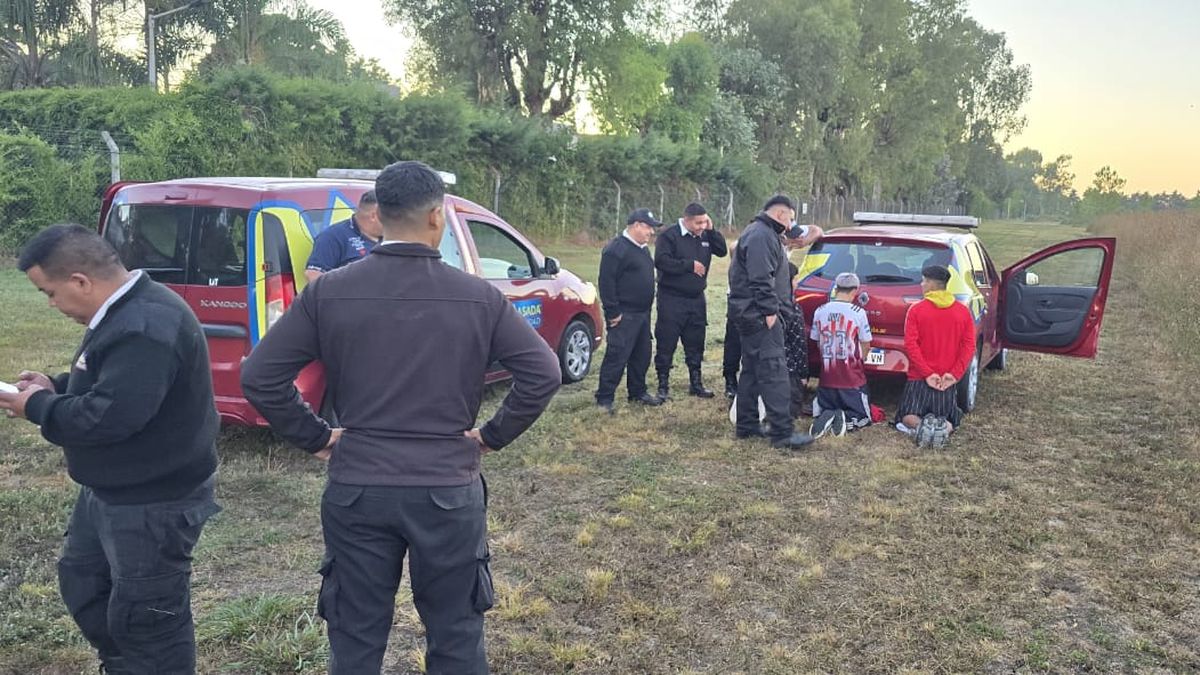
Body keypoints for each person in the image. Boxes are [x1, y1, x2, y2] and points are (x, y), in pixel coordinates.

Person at [240, 161, 561, 674]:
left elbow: (259, 376)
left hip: (359, 486)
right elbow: (543, 373)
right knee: (456, 633)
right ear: (437, 217)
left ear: (379, 216)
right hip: (447, 489)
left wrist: (316, 436)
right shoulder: (480, 296)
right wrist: (491, 437)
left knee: (356, 636)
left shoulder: (328, 291)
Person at [0, 224, 220, 675]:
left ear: (80, 281)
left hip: (152, 502)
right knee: (85, 584)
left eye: (50, 293)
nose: (52, 306)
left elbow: (110, 417)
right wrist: (55, 387)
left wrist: (38, 406)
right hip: (109, 492)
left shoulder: (144, 325)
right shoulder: (122, 313)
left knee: (150, 618)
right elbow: (113, 385)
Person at [727, 196, 814, 450]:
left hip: (751, 313)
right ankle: (782, 433)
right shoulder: (762, 236)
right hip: (760, 315)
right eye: (790, 217)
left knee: (752, 370)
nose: (791, 224)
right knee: (775, 372)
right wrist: (769, 311)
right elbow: (760, 277)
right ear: (780, 214)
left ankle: (746, 424)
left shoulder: (761, 233)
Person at [722, 220, 822, 399]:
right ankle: (731, 381)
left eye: (797, 236)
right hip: (743, 300)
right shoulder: (762, 241)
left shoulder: (787, 247)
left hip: (769, 301)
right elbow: (734, 246)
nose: (797, 239)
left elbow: (817, 230)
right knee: (735, 341)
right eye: (793, 237)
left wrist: (801, 241)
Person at [895, 264, 977, 448]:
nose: (921, 284)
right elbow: (968, 346)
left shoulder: (916, 310)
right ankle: (943, 430)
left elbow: (911, 345)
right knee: (948, 418)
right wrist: (954, 374)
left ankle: (921, 427)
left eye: (924, 281)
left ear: (931, 284)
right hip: (945, 380)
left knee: (907, 415)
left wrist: (927, 373)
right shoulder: (963, 312)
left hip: (920, 378)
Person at [653, 202, 728, 400]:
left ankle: (696, 383)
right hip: (671, 298)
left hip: (696, 299)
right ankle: (663, 385)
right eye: (698, 223)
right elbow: (661, 261)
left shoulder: (705, 235)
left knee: (695, 342)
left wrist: (711, 230)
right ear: (686, 220)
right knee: (666, 341)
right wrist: (689, 266)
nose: (702, 226)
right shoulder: (669, 235)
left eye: (705, 221)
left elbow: (722, 251)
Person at [595, 208, 665, 413]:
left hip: (643, 313)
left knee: (641, 355)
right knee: (617, 356)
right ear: (636, 225)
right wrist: (613, 312)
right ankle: (604, 398)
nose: (651, 232)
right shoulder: (616, 249)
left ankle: (637, 391)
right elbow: (606, 282)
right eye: (648, 227)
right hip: (624, 314)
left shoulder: (642, 248)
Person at [809, 272, 874, 438]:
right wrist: (862, 359)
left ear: (836, 288)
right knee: (864, 418)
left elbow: (816, 340)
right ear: (855, 291)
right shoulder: (857, 312)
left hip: (827, 378)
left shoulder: (820, 310)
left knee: (826, 403)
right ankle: (845, 418)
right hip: (851, 377)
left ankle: (827, 413)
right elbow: (866, 342)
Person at [304, 189, 383, 282]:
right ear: (374, 216)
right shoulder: (333, 237)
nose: (395, 219)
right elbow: (313, 275)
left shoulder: (394, 235)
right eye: (390, 215)